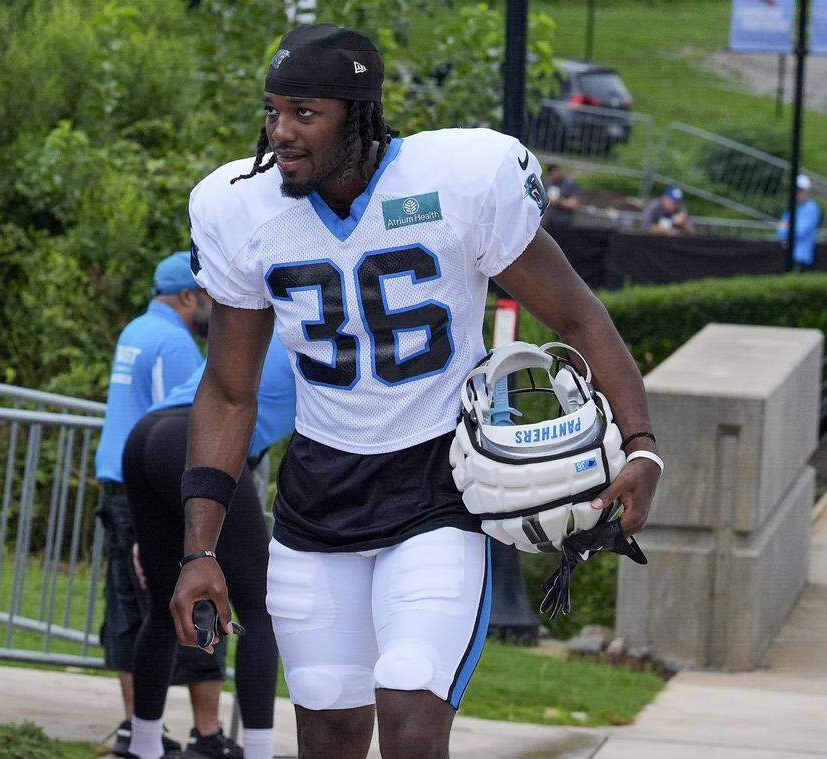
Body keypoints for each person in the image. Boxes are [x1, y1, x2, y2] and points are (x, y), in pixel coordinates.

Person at [172, 23, 662, 759]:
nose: (281, 132)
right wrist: (198, 550)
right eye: (273, 111)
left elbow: (577, 314)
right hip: (318, 496)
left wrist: (643, 446)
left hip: (438, 486)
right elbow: (228, 391)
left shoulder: (453, 183)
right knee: (328, 730)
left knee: (410, 712)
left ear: (358, 116)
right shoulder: (242, 209)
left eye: (305, 113)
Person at [122, 338, 295, 759]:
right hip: (194, 441)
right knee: (260, 608)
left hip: (148, 435)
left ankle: (143, 746)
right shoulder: (313, 334)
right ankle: (259, 752)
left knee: (162, 608)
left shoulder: (257, 328)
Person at [94, 251, 223, 759]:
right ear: (188, 297)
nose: (213, 306)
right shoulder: (176, 343)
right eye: (208, 296)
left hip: (117, 480)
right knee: (185, 602)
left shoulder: (135, 330)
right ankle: (206, 733)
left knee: (129, 607)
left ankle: (135, 727)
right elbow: (185, 423)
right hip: (154, 487)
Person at [775, 174, 822, 271]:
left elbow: (800, 232)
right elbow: (779, 232)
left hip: (802, 258)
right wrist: (787, 229)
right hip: (787, 256)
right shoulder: (792, 207)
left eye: (800, 190)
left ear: (807, 191)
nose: (796, 193)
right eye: (795, 190)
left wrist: (786, 228)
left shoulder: (811, 208)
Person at [542, 164, 580, 228]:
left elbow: (573, 205)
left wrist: (557, 201)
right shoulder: (547, 183)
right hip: (548, 222)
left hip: (564, 222)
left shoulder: (569, 184)